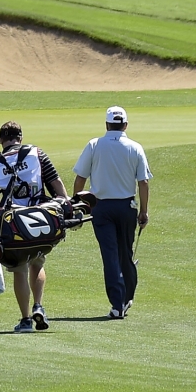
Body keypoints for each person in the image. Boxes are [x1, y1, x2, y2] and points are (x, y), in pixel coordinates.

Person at [0, 121, 67, 333]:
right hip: (40, 220)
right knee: (37, 264)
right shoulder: (37, 154)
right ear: (20, 137)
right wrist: (66, 208)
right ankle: (39, 305)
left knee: (19, 270)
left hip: (13, 225)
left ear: (0, 140)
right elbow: (57, 187)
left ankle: (26, 319)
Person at [72, 106, 150, 320]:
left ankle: (118, 304)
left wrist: (77, 206)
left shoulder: (94, 145)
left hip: (101, 208)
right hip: (126, 208)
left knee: (110, 255)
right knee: (125, 253)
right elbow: (142, 182)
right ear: (125, 125)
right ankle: (126, 298)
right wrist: (144, 212)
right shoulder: (135, 147)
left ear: (107, 125)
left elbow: (80, 179)